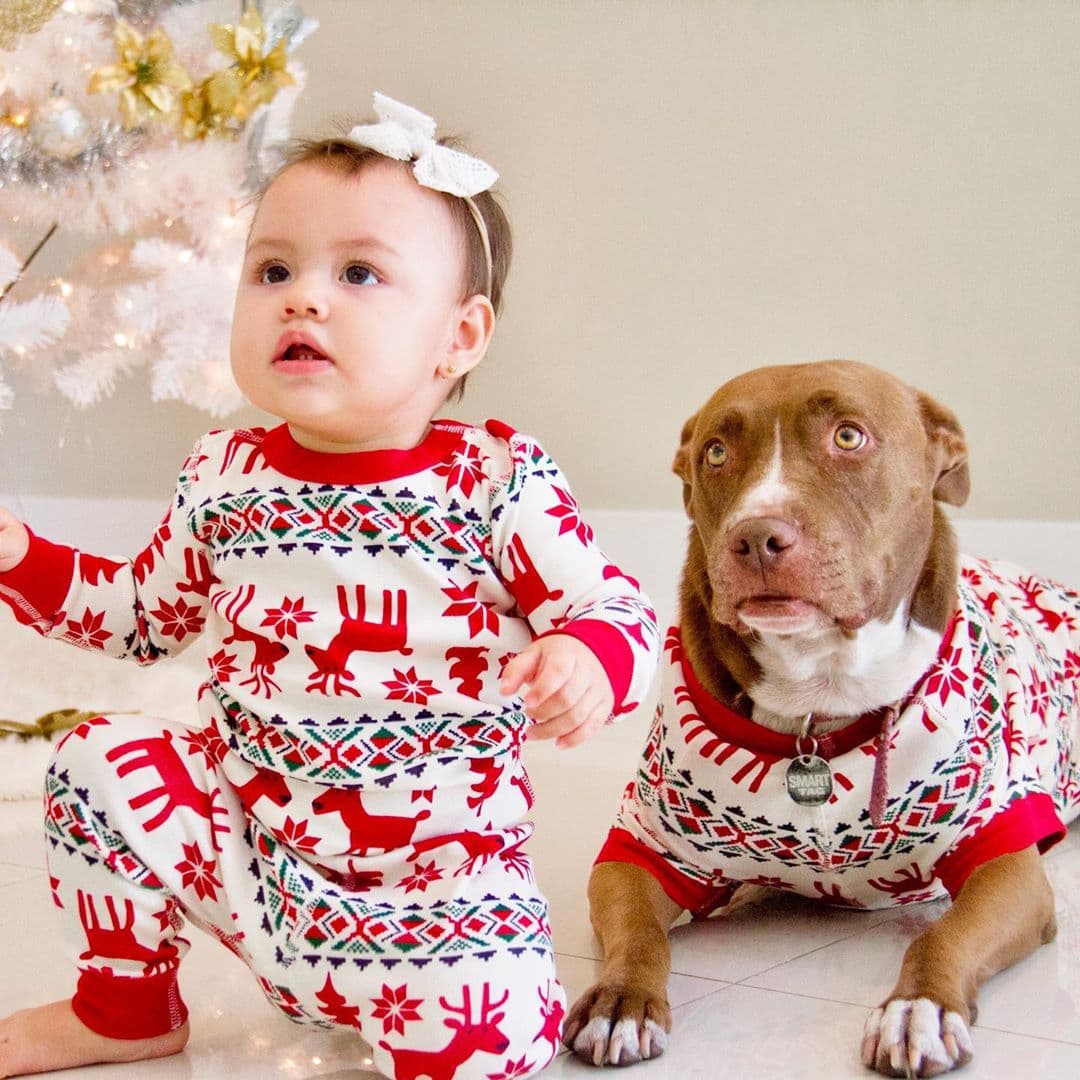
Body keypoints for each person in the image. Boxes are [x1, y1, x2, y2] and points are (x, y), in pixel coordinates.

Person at [0, 92, 660, 1079]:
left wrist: (586, 656)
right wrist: (18, 554)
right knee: (100, 761)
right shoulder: (222, 476)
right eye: (274, 269)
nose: (303, 297)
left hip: (439, 891)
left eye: (359, 272)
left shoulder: (495, 481)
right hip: (252, 861)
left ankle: (407, 1005)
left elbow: (615, 606)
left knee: (491, 1037)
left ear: (461, 336)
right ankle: (126, 1008)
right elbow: (143, 617)